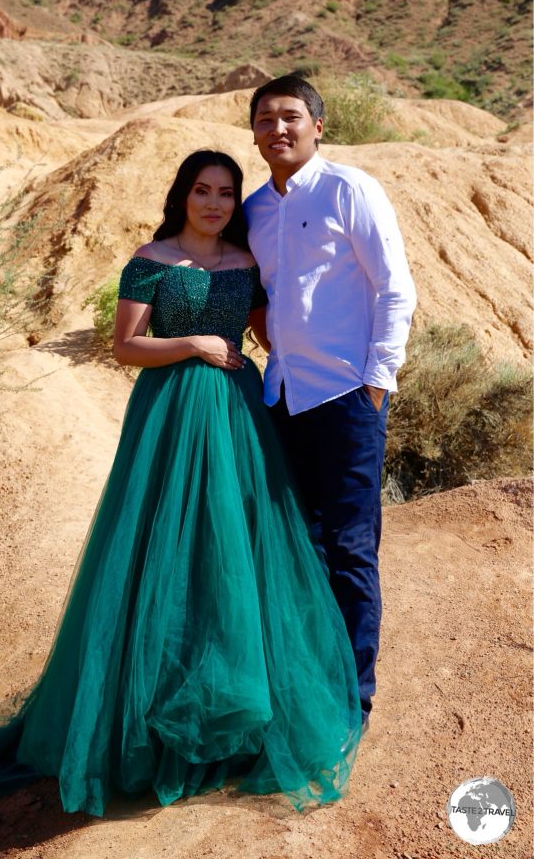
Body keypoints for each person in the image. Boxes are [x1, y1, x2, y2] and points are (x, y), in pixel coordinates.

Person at [0, 149, 362, 817]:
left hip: (239, 416)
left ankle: (236, 713)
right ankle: (147, 721)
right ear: (183, 195)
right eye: (202, 191)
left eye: (226, 193)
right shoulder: (152, 258)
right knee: (166, 554)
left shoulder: (247, 263)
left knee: (234, 553)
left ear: (236, 202)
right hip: (172, 415)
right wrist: (194, 344)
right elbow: (124, 345)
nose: (213, 203)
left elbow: (272, 331)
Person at [244, 75, 417, 732]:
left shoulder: (351, 189)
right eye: (265, 119)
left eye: (290, 117)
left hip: (347, 397)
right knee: (298, 543)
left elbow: (396, 288)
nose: (277, 129)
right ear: (254, 133)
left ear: (319, 125)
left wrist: (377, 383)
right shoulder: (257, 209)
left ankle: (354, 693)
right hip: (283, 395)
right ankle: (307, 676)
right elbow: (261, 294)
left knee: (348, 546)